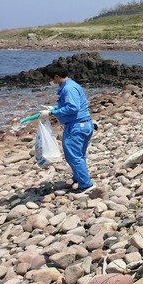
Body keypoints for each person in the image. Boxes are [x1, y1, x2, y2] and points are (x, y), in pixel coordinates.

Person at [39, 64, 94, 193]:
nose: (51, 81)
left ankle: (86, 185)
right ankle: (78, 177)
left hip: (76, 126)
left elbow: (73, 107)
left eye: (51, 79)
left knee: (73, 156)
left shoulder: (68, 88)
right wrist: (54, 109)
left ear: (57, 77)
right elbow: (68, 105)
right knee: (79, 154)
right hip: (83, 125)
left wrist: (53, 113)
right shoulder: (69, 86)